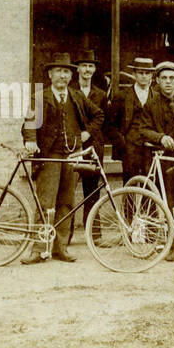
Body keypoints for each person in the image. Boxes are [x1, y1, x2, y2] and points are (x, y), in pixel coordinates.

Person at [21, 53, 101, 263]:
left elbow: (98, 115)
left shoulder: (76, 96)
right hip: (49, 156)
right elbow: (29, 123)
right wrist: (31, 141)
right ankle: (39, 249)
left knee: (66, 202)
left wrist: (87, 133)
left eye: (66, 72)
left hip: (71, 155)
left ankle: (60, 248)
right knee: (46, 202)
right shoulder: (40, 97)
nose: (63, 76)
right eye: (59, 71)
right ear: (50, 74)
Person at [135, 60, 174, 261]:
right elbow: (142, 129)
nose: (168, 82)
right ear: (157, 81)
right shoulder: (151, 105)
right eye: (164, 78)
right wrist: (160, 137)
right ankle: (173, 245)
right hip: (165, 161)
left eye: (172, 78)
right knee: (169, 203)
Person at [70, 48, 109, 224]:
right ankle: (66, 235)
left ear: (94, 70)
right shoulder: (69, 90)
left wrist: (89, 133)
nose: (87, 70)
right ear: (77, 69)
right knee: (68, 189)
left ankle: (93, 231)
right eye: (83, 66)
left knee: (93, 190)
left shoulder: (100, 94)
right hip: (73, 145)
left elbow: (103, 120)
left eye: (90, 66)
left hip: (93, 145)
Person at [105, 58, 155, 184]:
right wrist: (123, 144)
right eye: (140, 73)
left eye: (147, 73)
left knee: (151, 186)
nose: (144, 76)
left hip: (150, 149)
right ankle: (128, 205)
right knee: (129, 185)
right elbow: (110, 126)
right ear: (134, 74)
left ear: (151, 75)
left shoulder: (157, 96)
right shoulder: (122, 96)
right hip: (129, 149)